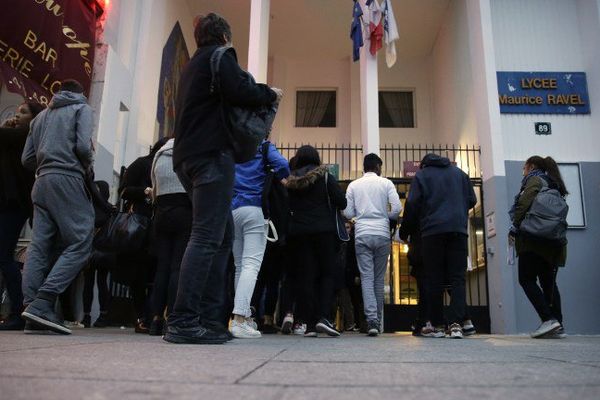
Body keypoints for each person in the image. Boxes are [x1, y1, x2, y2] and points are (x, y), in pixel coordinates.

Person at [165, 13, 282, 345]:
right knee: (206, 237)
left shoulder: (191, 66)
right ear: (224, 36)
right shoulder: (221, 56)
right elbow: (240, 89)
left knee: (222, 235)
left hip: (186, 157)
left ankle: (210, 319)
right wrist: (268, 93)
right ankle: (185, 320)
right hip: (211, 155)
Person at [20, 79, 95, 335]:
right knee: (81, 241)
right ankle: (44, 301)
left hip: (41, 182)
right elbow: (84, 146)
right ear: (81, 93)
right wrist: (87, 165)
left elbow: (27, 159)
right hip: (68, 178)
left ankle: (31, 308)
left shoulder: (39, 117)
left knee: (39, 245)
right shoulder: (81, 109)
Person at [405, 153, 476, 339]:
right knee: (457, 278)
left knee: (433, 277)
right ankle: (457, 324)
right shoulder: (460, 173)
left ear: (423, 164)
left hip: (432, 231)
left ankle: (437, 325)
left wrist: (410, 227)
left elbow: (412, 203)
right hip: (458, 230)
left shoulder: (421, 175)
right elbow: (473, 200)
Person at [286, 145, 347, 337]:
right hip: (324, 231)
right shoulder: (325, 176)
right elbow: (341, 201)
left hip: (299, 233)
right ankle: (324, 317)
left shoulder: (291, 181)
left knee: (306, 277)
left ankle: (310, 324)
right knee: (327, 274)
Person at [230, 140, 289, 338]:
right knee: (251, 265)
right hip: (254, 207)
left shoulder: (233, 144)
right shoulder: (263, 145)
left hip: (232, 208)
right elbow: (283, 165)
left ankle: (243, 317)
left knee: (239, 265)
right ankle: (239, 319)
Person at [510, 156, 568, 339]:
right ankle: (558, 324)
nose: (523, 171)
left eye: (524, 167)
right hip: (552, 241)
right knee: (548, 282)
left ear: (531, 166)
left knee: (526, 279)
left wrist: (515, 225)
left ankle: (548, 319)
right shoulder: (554, 183)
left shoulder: (535, 180)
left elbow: (523, 204)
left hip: (533, 239)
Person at [343, 153, 401, 336]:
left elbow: (347, 212)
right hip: (382, 234)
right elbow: (397, 208)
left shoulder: (353, 185)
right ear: (377, 167)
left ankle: (371, 321)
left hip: (362, 234)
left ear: (364, 167)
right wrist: (385, 217)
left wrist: (359, 217)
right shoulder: (386, 183)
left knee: (366, 278)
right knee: (378, 279)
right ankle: (378, 320)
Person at [0, 101, 44, 331]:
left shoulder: (26, 135)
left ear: (34, 118)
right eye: (16, 113)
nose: (17, 116)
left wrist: (6, 127)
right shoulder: (15, 137)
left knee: (4, 257)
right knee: (5, 257)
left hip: (13, 206)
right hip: (8, 204)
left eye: (23, 113)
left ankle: (18, 312)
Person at [118, 137, 168, 333]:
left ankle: (152, 315)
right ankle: (142, 316)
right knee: (139, 274)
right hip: (141, 225)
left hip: (160, 224)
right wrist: (146, 191)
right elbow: (124, 191)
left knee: (157, 272)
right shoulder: (142, 164)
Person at [148, 137, 192, 336]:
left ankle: (155, 318)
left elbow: (153, 187)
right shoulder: (187, 154)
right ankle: (172, 316)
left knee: (161, 268)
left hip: (161, 213)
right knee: (177, 267)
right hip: (183, 211)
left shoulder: (158, 156)